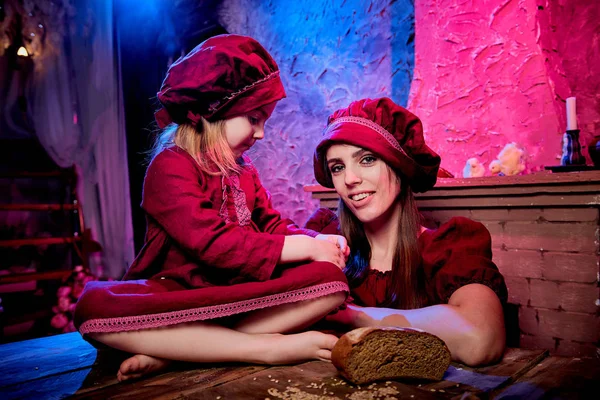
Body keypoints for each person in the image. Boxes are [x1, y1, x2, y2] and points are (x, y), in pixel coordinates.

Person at [74, 34, 350, 382]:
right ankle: (263, 347)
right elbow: (212, 243)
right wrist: (306, 247)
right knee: (92, 309)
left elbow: (271, 224)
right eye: (254, 118)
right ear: (213, 112)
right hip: (179, 292)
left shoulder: (243, 169)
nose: (261, 133)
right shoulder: (170, 166)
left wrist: (317, 242)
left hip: (236, 289)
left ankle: (179, 353)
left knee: (331, 282)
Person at [307, 97, 508, 367]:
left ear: (400, 167)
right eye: (338, 167)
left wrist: (351, 315)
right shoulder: (325, 237)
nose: (350, 179)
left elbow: (481, 341)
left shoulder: (449, 248)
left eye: (367, 159)